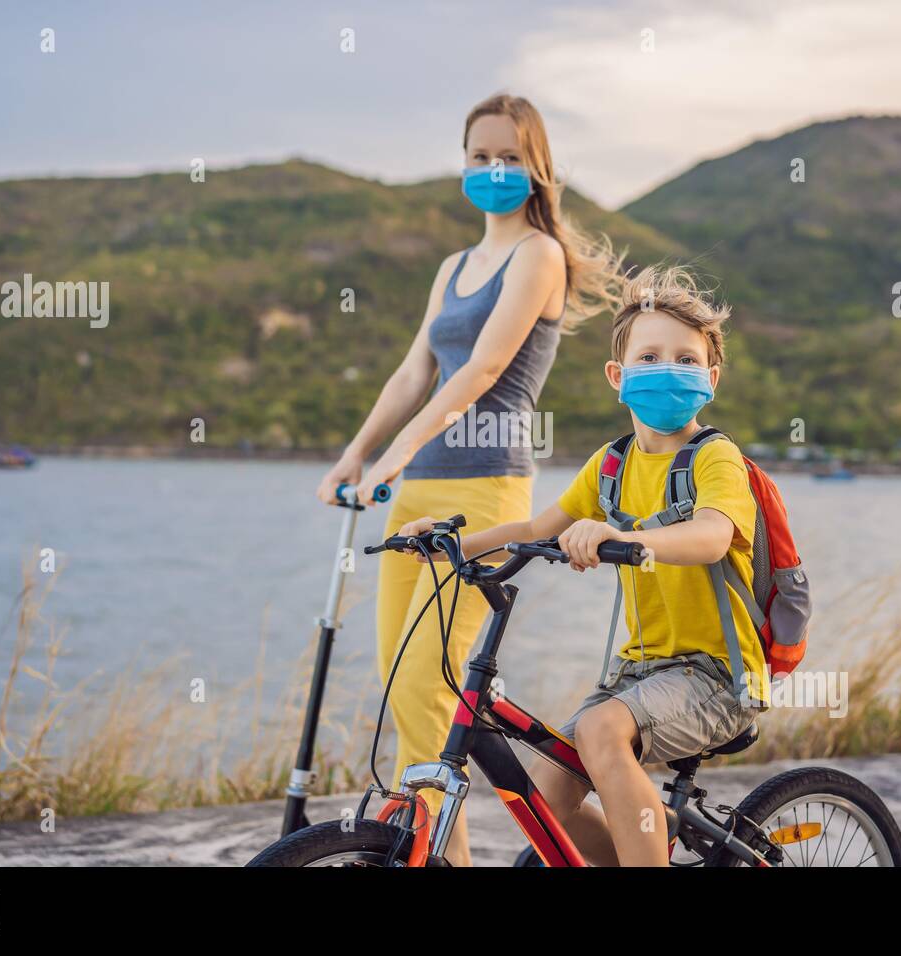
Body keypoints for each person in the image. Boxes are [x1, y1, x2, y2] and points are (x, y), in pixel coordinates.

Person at [315, 93, 620, 866]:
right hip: (415, 490)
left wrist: (397, 451)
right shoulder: (454, 267)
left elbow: (484, 368)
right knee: (400, 678)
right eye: (480, 156)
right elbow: (415, 368)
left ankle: (448, 851)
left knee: (430, 679)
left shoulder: (539, 257)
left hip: (483, 491)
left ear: (537, 167)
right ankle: (434, 849)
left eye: (509, 157)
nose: (493, 170)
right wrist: (359, 453)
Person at [396, 265, 764, 866]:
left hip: (718, 675)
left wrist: (628, 537)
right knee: (546, 791)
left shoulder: (715, 458)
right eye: (648, 357)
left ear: (711, 379)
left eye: (684, 359)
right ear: (617, 377)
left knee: (598, 734)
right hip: (641, 671)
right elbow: (535, 531)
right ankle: (642, 847)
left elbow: (713, 536)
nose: (666, 369)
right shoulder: (611, 465)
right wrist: (450, 542)